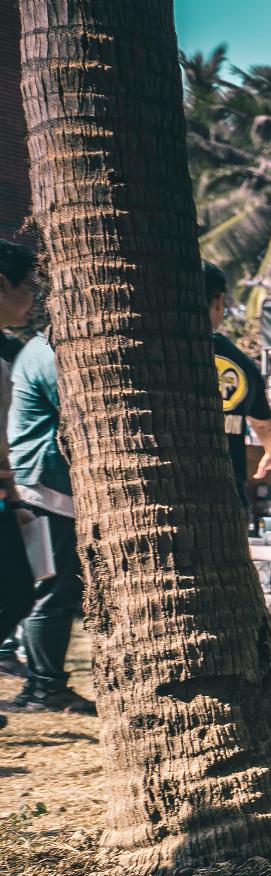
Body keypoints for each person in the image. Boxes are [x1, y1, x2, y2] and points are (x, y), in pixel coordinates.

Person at [4, 319, 95, 715]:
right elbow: (82, 411)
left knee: (50, 591)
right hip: (45, 488)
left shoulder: (41, 350)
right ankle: (43, 688)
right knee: (52, 592)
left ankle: (44, 685)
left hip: (44, 485)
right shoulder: (48, 354)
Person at [204, 262, 271, 504]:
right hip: (227, 487)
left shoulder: (158, 358)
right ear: (219, 301)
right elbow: (263, 424)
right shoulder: (241, 362)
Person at [0, 240, 40, 714]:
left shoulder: (11, 352)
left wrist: (12, 497)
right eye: (28, 287)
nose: (33, 299)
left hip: (5, 493)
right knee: (14, 591)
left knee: (16, 592)